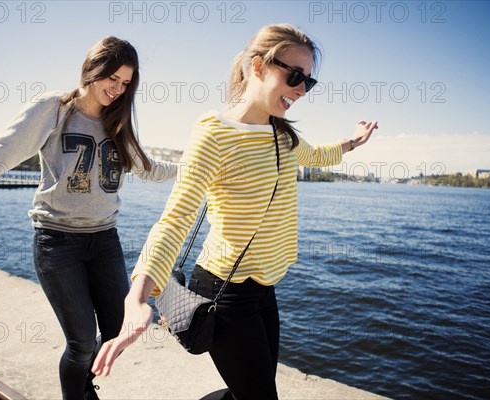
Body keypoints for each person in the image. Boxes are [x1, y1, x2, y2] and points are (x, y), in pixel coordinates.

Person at [90, 24, 378, 399]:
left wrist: (353, 140)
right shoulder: (215, 133)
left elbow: (320, 155)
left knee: (254, 391)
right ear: (257, 66)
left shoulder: (283, 136)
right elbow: (176, 218)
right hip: (224, 292)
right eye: (294, 76)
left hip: (263, 288)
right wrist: (138, 297)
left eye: (309, 82)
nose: (301, 89)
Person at [0, 37, 178, 400]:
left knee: (117, 330)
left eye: (126, 83)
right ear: (91, 69)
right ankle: (78, 393)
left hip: (105, 241)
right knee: (81, 342)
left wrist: (194, 168)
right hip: (58, 244)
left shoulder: (119, 121)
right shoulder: (54, 109)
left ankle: (81, 382)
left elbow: (148, 167)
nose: (117, 89)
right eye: (111, 78)